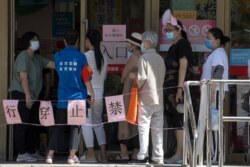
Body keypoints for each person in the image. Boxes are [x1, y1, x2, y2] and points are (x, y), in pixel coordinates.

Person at [46, 30, 94, 164]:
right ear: (78, 41)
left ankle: (50, 155)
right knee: (75, 127)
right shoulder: (81, 57)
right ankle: (71, 156)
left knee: (58, 127)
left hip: (62, 97)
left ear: (65, 41)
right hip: (78, 97)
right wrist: (92, 94)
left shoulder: (58, 55)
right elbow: (87, 78)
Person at [8, 31, 54, 162]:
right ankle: (22, 153)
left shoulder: (37, 58)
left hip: (33, 96)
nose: (37, 42)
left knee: (33, 124)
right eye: (34, 40)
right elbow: (23, 78)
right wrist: (28, 96)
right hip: (21, 94)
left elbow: (51, 64)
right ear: (27, 42)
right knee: (22, 124)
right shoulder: (23, 56)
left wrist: (69, 64)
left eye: (37, 40)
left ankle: (31, 151)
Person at [162, 9, 194, 164]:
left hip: (178, 90)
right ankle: (177, 152)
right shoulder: (172, 46)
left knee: (179, 120)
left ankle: (180, 154)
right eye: (165, 30)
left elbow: (183, 66)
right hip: (169, 90)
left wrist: (179, 89)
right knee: (174, 121)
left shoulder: (182, 44)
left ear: (178, 30)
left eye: (169, 30)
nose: (166, 32)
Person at [131, 31, 166, 164]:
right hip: (159, 97)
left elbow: (142, 78)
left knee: (143, 127)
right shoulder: (160, 58)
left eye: (143, 41)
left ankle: (143, 155)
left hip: (146, 97)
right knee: (158, 128)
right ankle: (158, 156)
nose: (142, 44)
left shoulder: (144, 58)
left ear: (148, 42)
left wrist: (135, 78)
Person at [201, 27, 230, 164]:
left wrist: (212, 93)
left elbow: (217, 73)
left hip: (215, 93)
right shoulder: (215, 53)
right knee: (212, 124)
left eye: (209, 38)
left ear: (217, 41)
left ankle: (216, 156)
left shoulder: (218, 53)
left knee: (214, 124)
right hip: (213, 92)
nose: (206, 40)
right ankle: (214, 154)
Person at [80, 29, 108, 162]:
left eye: (86, 39)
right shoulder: (104, 58)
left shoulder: (84, 57)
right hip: (100, 93)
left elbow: (83, 77)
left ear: (89, 41)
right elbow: (104, 78)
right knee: (98, 124)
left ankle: (91, 155)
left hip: (88, 93)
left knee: (86, 124)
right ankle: (103, 154)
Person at [117, 32, 142, 161]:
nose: (128, 45)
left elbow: (123, 76)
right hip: (139, 94)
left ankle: (124, 153)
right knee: (136, 122)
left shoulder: (134, 57)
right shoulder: (144, 57)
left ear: (134, 45)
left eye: (129, 43)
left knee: (124, 121)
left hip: (128, 93)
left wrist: (123, 78)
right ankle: (136, 153)